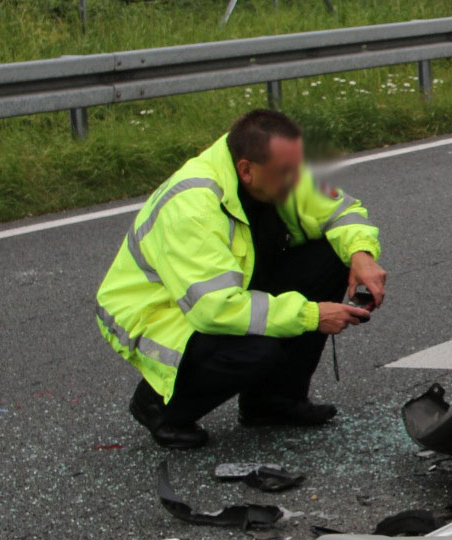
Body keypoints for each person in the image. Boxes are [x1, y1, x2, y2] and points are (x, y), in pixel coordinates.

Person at [96, 109, 386, 448]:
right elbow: (215, 308)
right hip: (163, 313)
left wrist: (361, 255)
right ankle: (159, 405)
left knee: (332, 258)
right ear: (245, 170)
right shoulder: (193, 206)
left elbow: (339, 211)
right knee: (256, 350)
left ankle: (272, 403)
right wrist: (313, 315)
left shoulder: (277, 164)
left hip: (223, 289)